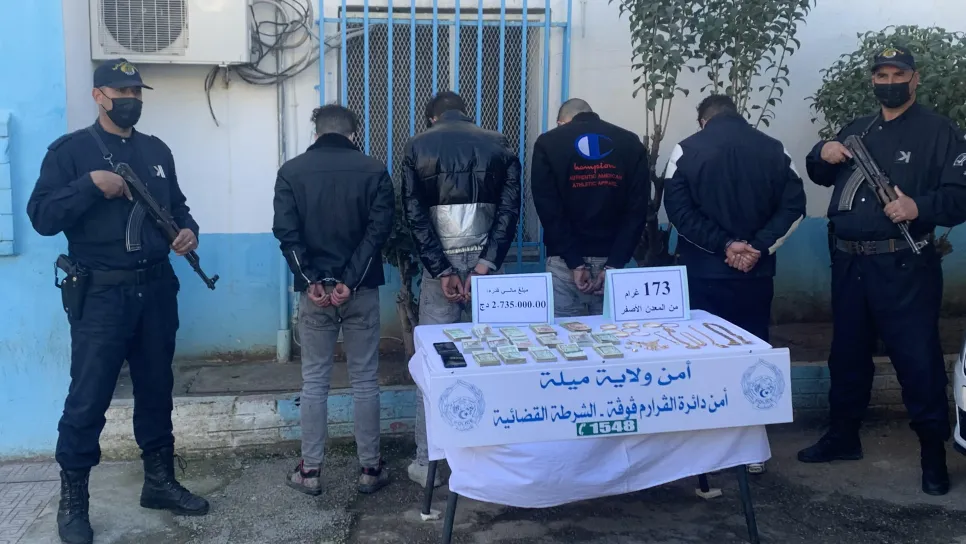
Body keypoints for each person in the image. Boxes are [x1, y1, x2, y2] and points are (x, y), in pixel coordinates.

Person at [26, 59, 209, 544]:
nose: (131, 99)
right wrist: (90, 185)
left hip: (157, 289)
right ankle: (74, 501)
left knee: (156, 389)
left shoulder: (156, 150)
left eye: (136, 92)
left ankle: (159, 482)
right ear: (98, 96)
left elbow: (178, 207)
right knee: (88, 397)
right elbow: (42, 216)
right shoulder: (70, 152)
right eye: (122, 91)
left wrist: (188, 231)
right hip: (101, 295)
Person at [798, 46, 966, 496]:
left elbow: (960, 195)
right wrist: (822, 150)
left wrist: (919, 207)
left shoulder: (939, 132)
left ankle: (932, 454)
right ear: (872, 80)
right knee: (847, 355)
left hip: (904, 264)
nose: (889, 82)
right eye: (881, 75)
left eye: (898, 74)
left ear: (915, 78)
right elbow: (819, 173)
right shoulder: (857, 129)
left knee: (917, 360)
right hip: (850, 263)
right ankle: (843, 436)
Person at [664, 94, 806, 475]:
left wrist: (723, 245)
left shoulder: (686, 150)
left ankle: (706, 447)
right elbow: (795, 207)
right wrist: (756, 247)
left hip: (703, 275)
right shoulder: (774, 149)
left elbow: (677, 212)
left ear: (703, 121)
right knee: (753, 355)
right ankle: (752, 448)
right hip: (755, 275)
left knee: (704, 355)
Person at [272, 104, 394, 496]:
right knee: (365, 380)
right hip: (361, 290)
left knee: (314, 382)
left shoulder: (291, 172)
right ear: (354, 134)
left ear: (316, 133)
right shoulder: (374, 170)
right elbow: (377, 233)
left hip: (315, 296)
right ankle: (371, 468)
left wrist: (311, 280)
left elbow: (286, 233)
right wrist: (350, 282)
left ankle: (309, 471)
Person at [401, 91, 521, 487]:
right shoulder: (499, 143)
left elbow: (414, 215)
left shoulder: (417, 146)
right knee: (496, 361)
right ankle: (494, 463)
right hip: (489, 272)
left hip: (441, 275)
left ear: (431, 118)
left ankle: (428, 464)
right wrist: (486, 264)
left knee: (434, 366)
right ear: (465, 113)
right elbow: (510, 209)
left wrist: (441, 268)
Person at [531, 99, 650, 317]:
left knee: (565, 334)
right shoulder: (629, 142)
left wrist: (575, 262)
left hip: (564, 263)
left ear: (561, 122)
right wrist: (614, 264)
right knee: (614, 334)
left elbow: (548, 208)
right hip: (612, 261)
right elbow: (637, 209)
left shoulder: (548, 143)